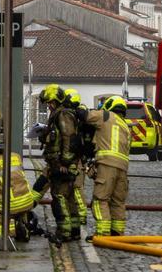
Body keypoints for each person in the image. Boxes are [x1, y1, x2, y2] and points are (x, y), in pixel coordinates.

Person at [35, 83, 82, 241]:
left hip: (62, 164)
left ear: (56, 101)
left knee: (59, 196)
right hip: (60, 163)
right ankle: (74, 230)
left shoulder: (63, 115)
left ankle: (64, 232)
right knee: (68, 197)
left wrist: (65, 162)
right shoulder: (59, 114)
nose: (48, 106)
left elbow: (69, 138)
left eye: (50, 102)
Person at [85, 96, 131, 238]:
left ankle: (103, 234)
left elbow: (85, 116)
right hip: (122, 169)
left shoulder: (105, 116)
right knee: (118, 201)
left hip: (107, 165)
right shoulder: (126, 127)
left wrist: (78, 107)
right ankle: (117, 233)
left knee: (100, 199)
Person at [64, 88, 91, 234]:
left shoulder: (79, 117)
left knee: (77, 186)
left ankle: (81, 214)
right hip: (78, 157)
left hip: (78, 158)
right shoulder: (78, 115)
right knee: (72, 187)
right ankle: (76, 213)